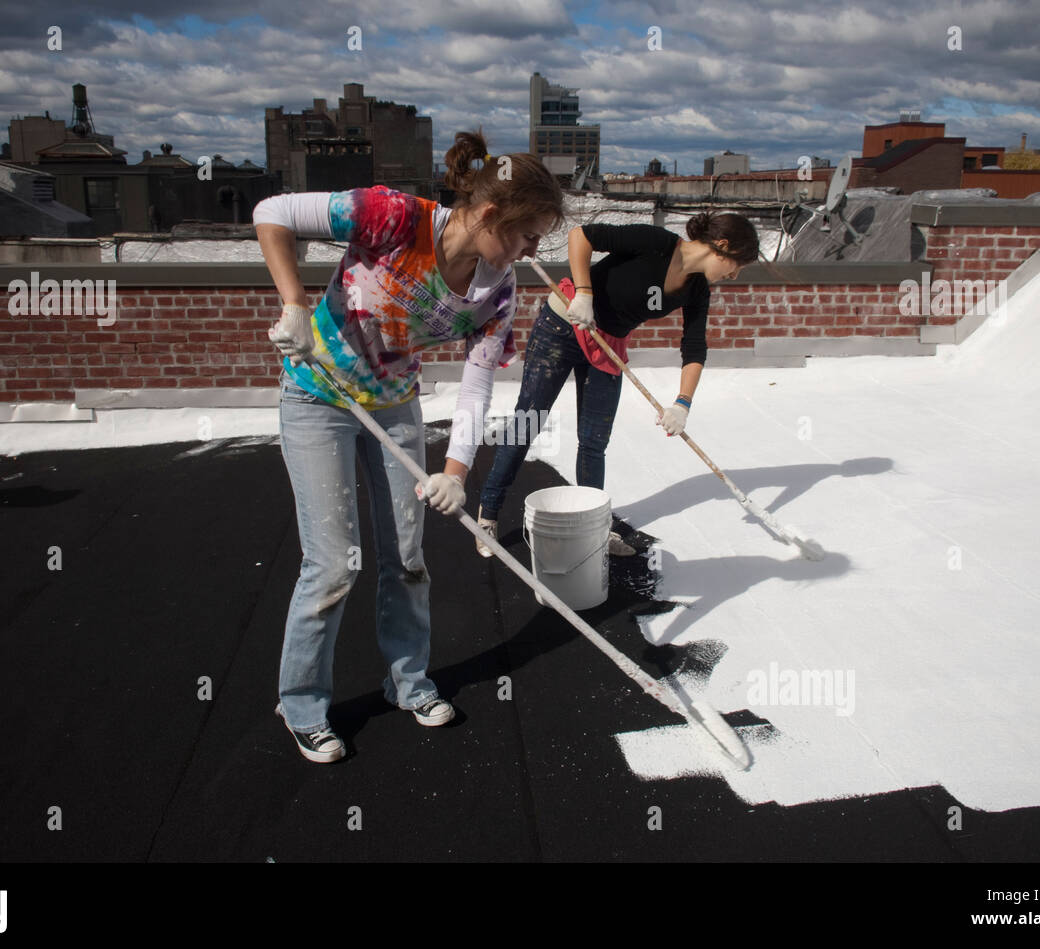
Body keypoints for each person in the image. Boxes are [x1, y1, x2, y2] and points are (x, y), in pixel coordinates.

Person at [253, 131, 564, 763]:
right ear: (486, 215)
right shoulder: (395, 217)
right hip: (318, 394)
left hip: (394, 406)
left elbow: (478, 382)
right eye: (526, 234)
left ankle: (408, 683)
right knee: (335, 563)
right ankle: (302, 703)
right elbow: (273, 213)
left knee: (408, 556)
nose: (532, 251)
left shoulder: (497, 290)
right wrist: (293, 305)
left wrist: (456, 470)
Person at [474, 213, 760, 557]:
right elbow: (582, 236)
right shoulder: (656, 243)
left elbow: (695, 346)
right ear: (722, 246)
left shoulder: (697, 289)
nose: (734, 275)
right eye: (736, 266)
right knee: (528, 423)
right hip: (564, 323)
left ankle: (593, 529)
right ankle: (488, 514)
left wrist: (682, 403)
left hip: (608, 345)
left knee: (594, 441)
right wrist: (584, 293)